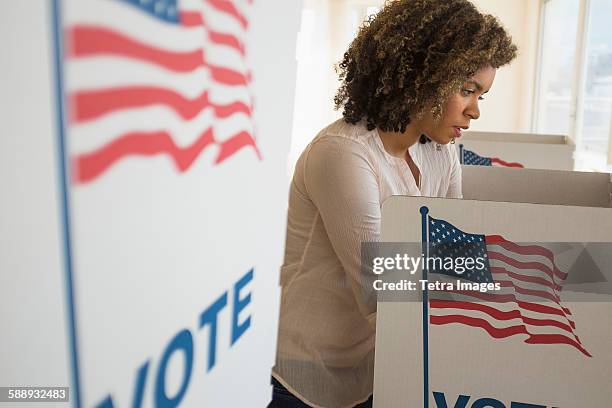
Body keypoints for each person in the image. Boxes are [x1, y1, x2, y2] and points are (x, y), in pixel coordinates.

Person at [269, 1, 517, 407]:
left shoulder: (441, 150)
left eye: (481, 96)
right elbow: (384, 293)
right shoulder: (343, 154)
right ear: (424, 77)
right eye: (467, 90)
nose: (473, 110)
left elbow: (454, 259)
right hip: (306, 378)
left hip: (379, 368)